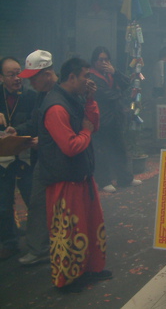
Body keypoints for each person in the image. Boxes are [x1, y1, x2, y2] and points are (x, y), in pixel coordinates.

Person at [37, 57, 112, 292]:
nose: (88, 81)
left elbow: (93, 124)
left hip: (81, 176)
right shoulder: (57, 107)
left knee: (87, 226)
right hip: (65, 181)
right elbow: (70, 145)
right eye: (85, 77)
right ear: (72, 77)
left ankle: (90, 270)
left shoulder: (74, 99)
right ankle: (68, 280)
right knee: (69, 232)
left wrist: (90, 100)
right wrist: (86, 133)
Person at [7, 50, 57, 266]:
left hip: (57, 160)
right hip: (44, 157)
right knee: (39, 203)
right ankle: (42, 246)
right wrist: (16, 131)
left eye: (33, 78)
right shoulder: (42, 95)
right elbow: (36, 123)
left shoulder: (61, 95)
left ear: (46, 74)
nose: (30, 83)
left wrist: (42, 142)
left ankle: (41, 248)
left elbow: (69, 132)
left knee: (43, 202)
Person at [89, 47, 141, 193]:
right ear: (94, 61)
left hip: (115, 118)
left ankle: (125, 178)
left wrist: (115, 72)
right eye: (101, 59)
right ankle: (104, 181)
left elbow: (126, 84)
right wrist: (121, 95)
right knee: (102, 151)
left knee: (120, 149)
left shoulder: (110, 74)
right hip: (101, 118)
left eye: (107, 59)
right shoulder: (91, 77)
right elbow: (105, 95)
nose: (104, 62)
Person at [0, 56, 36, 260]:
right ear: (1, 77)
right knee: (3, 204)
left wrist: (18, 130)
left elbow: (34, 120)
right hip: (1, 158)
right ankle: (9, 242)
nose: (17, 78)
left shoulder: (30, 96)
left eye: (18, 73)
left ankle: (37, 242)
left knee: (33, 200)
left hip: (25, 155)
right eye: (11, 74)